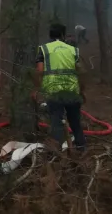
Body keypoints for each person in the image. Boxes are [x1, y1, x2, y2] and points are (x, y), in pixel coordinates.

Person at [34, 23, 87, 152]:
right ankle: (81, 149)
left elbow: (40, 71)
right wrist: (82, 90)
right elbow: (82, 71)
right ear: (63, 35)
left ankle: (56, 154)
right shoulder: (73, 49)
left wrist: (37, 89)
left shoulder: (44, 49)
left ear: (50, 35)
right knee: (75, 122)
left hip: (53, 91)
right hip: (72, 90)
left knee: (56, 122)